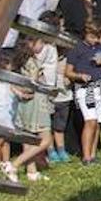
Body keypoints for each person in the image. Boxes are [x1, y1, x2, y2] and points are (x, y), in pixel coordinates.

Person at [65, 19, 101, 165]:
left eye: (97, 37)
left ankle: (93, 155)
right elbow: (68, 72)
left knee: (98, 122)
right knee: (90, 121)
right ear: (86, 33)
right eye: (92, 37)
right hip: (86, 89)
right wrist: (80, 76)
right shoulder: (77, 49)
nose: (94, 40)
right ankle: (86, 157)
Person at [0, 49, 32, 183]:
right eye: (10, 65)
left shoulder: (9, 85)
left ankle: (6, 160)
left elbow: (17, 95)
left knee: (7, 140)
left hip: (8, 117)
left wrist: (24, 96)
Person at [11, 34, 55, 181]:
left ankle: (31, 171)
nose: (42, 46)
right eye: (41, 42)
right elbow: (31, 86)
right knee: (46, 140)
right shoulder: (32, 63)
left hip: (24, 105)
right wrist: (38, 77)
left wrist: (18, 92)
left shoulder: (19, 61)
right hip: (37, 104)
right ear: (31, 43)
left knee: (28, 139)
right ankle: (14, 165)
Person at [39, 10, 74, 164]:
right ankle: (50, 150)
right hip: (44, 88)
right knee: (46, 123)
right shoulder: (40, 46)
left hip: (59, 90)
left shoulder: (60, 45)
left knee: (59, 123)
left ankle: (61, 149)